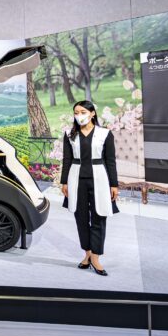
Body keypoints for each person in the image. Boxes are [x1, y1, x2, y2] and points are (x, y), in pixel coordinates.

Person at [60, 100, 119, 276]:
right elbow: (67, 159)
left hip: (100, 180)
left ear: (92, 113)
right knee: (81, 218)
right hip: (76, 180)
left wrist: (114, 184)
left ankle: (95, 257)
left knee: (99, 217)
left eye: (83, 112)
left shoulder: (105, 134)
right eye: (76, 112)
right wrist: (64, 182)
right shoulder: (70, 134)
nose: (79, 116)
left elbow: (110, 160)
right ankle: (87, 253)